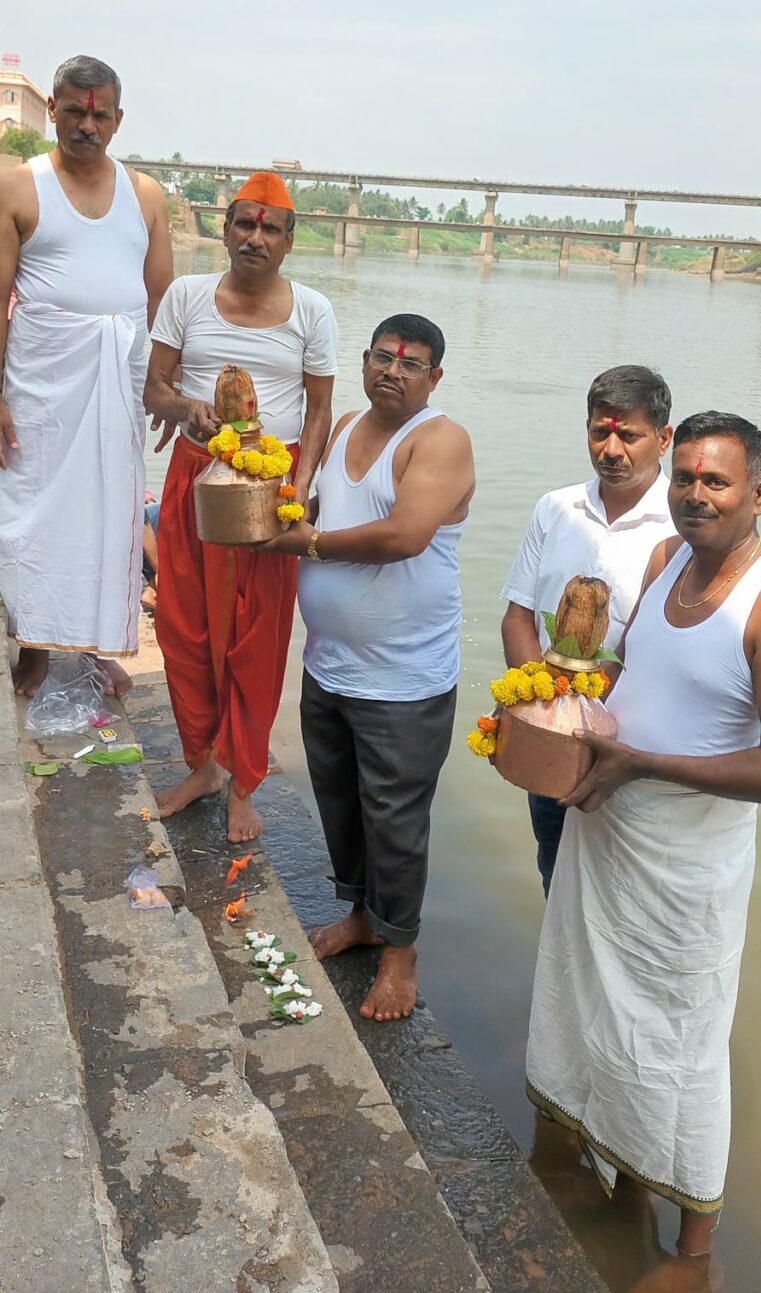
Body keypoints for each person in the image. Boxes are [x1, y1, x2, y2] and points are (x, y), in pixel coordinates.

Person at [526, 412, 761, 1281]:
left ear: (759, 495)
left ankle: (694, 1249)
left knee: (679, 1044)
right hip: (609, 834)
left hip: (686, 873)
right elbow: (627, 672)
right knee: (597, 1014)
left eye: (717, 482)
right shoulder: (663, 561)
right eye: (687, 479)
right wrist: (560, 714)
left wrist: (644, 763)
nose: (695, 495)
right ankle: (622, 1177)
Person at [260, 314, 475, 1022]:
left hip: (403, 680)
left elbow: (405, 534)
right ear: (363, 361)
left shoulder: (441, 439)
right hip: (330, 664)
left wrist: (310, 543)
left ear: (434, 378)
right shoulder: (347, 422)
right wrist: (273, 503)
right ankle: (360, 914)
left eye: (410, 364)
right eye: (382, 356)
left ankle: (399, 951)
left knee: (397, 818)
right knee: (342, 802)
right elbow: (324, 506)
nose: (393, 369)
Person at [143, 172, 337, 843]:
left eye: (269, 228)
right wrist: (185, 408)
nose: (254, 237)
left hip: (271, 482)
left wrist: (302, 487)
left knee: (257, 638)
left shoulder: (313, 311)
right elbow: (155, 389)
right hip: (197, 475)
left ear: (288, 241)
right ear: (225, 230)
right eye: (244, 224)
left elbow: (319, 412)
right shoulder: (186, 297)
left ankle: (244, 782)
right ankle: (203, 763)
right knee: (183, 626)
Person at [0, 54, 173, 697]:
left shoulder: (146, 195)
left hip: (120, 381)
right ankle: (36, 644)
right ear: (53, 110)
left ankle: (100, 644)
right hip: (42, 381)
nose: (86, 126)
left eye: (99, 114)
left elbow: (164, 304)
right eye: (74, 111)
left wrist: (163, 386)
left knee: (111, 510)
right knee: (35, 509)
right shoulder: (20, 187)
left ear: (118, 120)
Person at [500, 365, 676, 895]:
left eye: (630, 435)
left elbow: (661, 650)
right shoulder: (555, 509)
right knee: (556, 877)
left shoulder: (682, 525)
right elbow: (519, 617)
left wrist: (597, 724)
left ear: (664, 439)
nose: (612, 449)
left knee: (627, 895)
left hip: (633, 748)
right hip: (553, 732)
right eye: (601, 431)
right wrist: (542, 708)